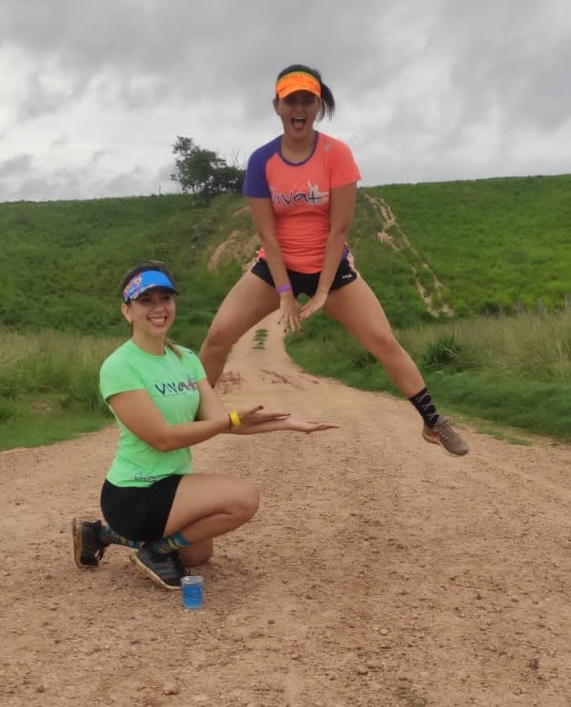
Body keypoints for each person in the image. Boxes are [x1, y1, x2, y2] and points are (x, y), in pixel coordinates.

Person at [198, 64, 469, 457]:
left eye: (308, 101)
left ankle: (433, 422)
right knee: (218, 336)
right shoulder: (262, 161)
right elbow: (267, 236)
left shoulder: (336, 154)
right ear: (276, 106)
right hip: (276, 266)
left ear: (318, 107)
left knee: (383, 341)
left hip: (330, 264)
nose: (299, 109)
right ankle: (193, 416)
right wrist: (286, 292)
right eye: (291, 100)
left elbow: (338, 230)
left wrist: (323, 290)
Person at [72, 261, 337, 591]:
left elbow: (220, 421)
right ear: (127, 311)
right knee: (244, 499)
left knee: (198, 555)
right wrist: (231, 420)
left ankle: (99, 534)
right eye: (146, 300)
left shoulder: (185, 358)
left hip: (172, 483)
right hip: (133, 494)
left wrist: (286, 422)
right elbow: (163, 439)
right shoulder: (119, 366)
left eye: (165, 298)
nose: (158, 308)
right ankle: (154, 551)